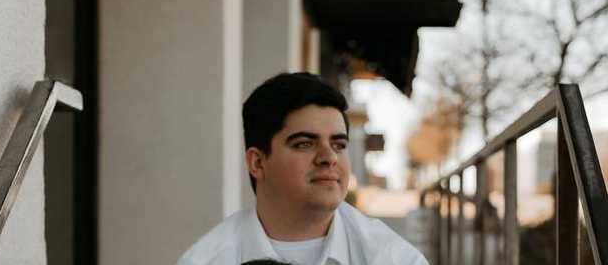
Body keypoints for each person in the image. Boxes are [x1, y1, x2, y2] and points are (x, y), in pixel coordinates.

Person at [177, 72, 430, 265]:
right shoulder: (205, 260)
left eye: (338, 145)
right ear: (257, 162)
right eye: (304, 144)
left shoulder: (394, 258)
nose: (329, 157)